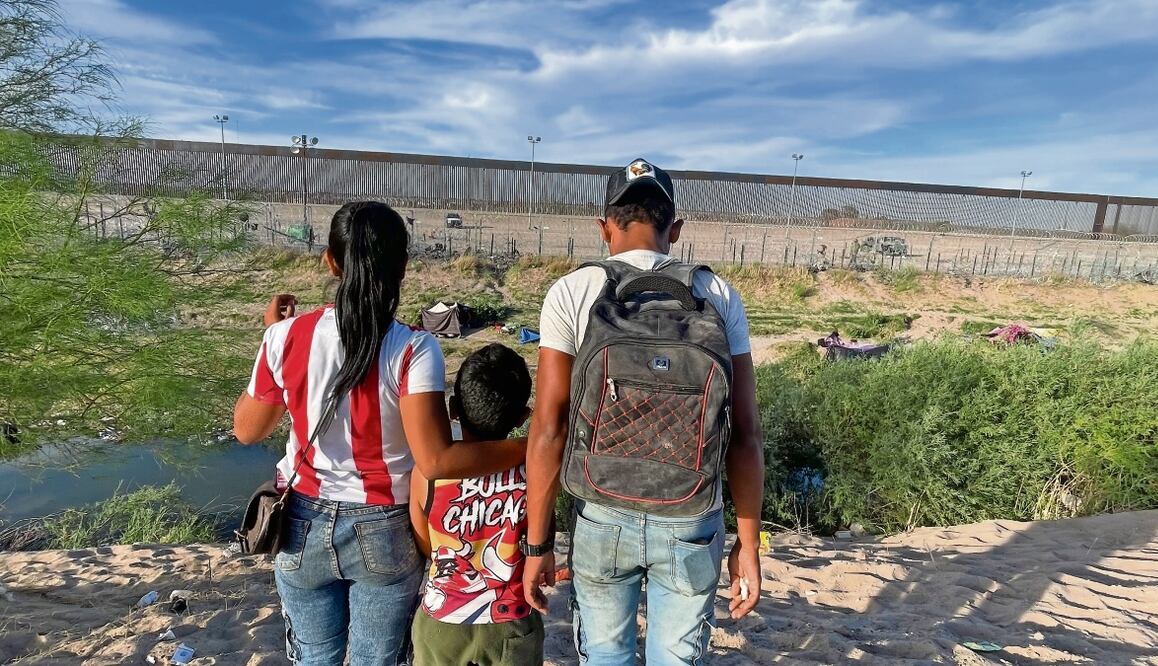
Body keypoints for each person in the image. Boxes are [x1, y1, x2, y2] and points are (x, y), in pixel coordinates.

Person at [232, 201, 525, 666]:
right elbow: (436, 460)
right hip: (384, 526)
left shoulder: (285, 337)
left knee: (314, 658)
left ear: (331, 262)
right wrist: (530, 446)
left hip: (302, 521)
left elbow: (248, 429)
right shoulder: (414, 348)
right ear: (403, 266)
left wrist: (272, 336)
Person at [522, 159, 766, 664]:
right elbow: (746, 433)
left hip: (601, 509)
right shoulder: (718, 294)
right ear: (674, 228)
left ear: (604, 226)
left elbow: (548, 429)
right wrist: (748, 545)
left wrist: (538, 545)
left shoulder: (571, 292)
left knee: (604, 655)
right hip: (691, 513)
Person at [408, 343, 544, 666]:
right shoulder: (535, 471)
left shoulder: (428, 474)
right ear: (523, 417)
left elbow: (425, 545)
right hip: (511, 619)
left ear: (453, 408)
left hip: (442, 621)